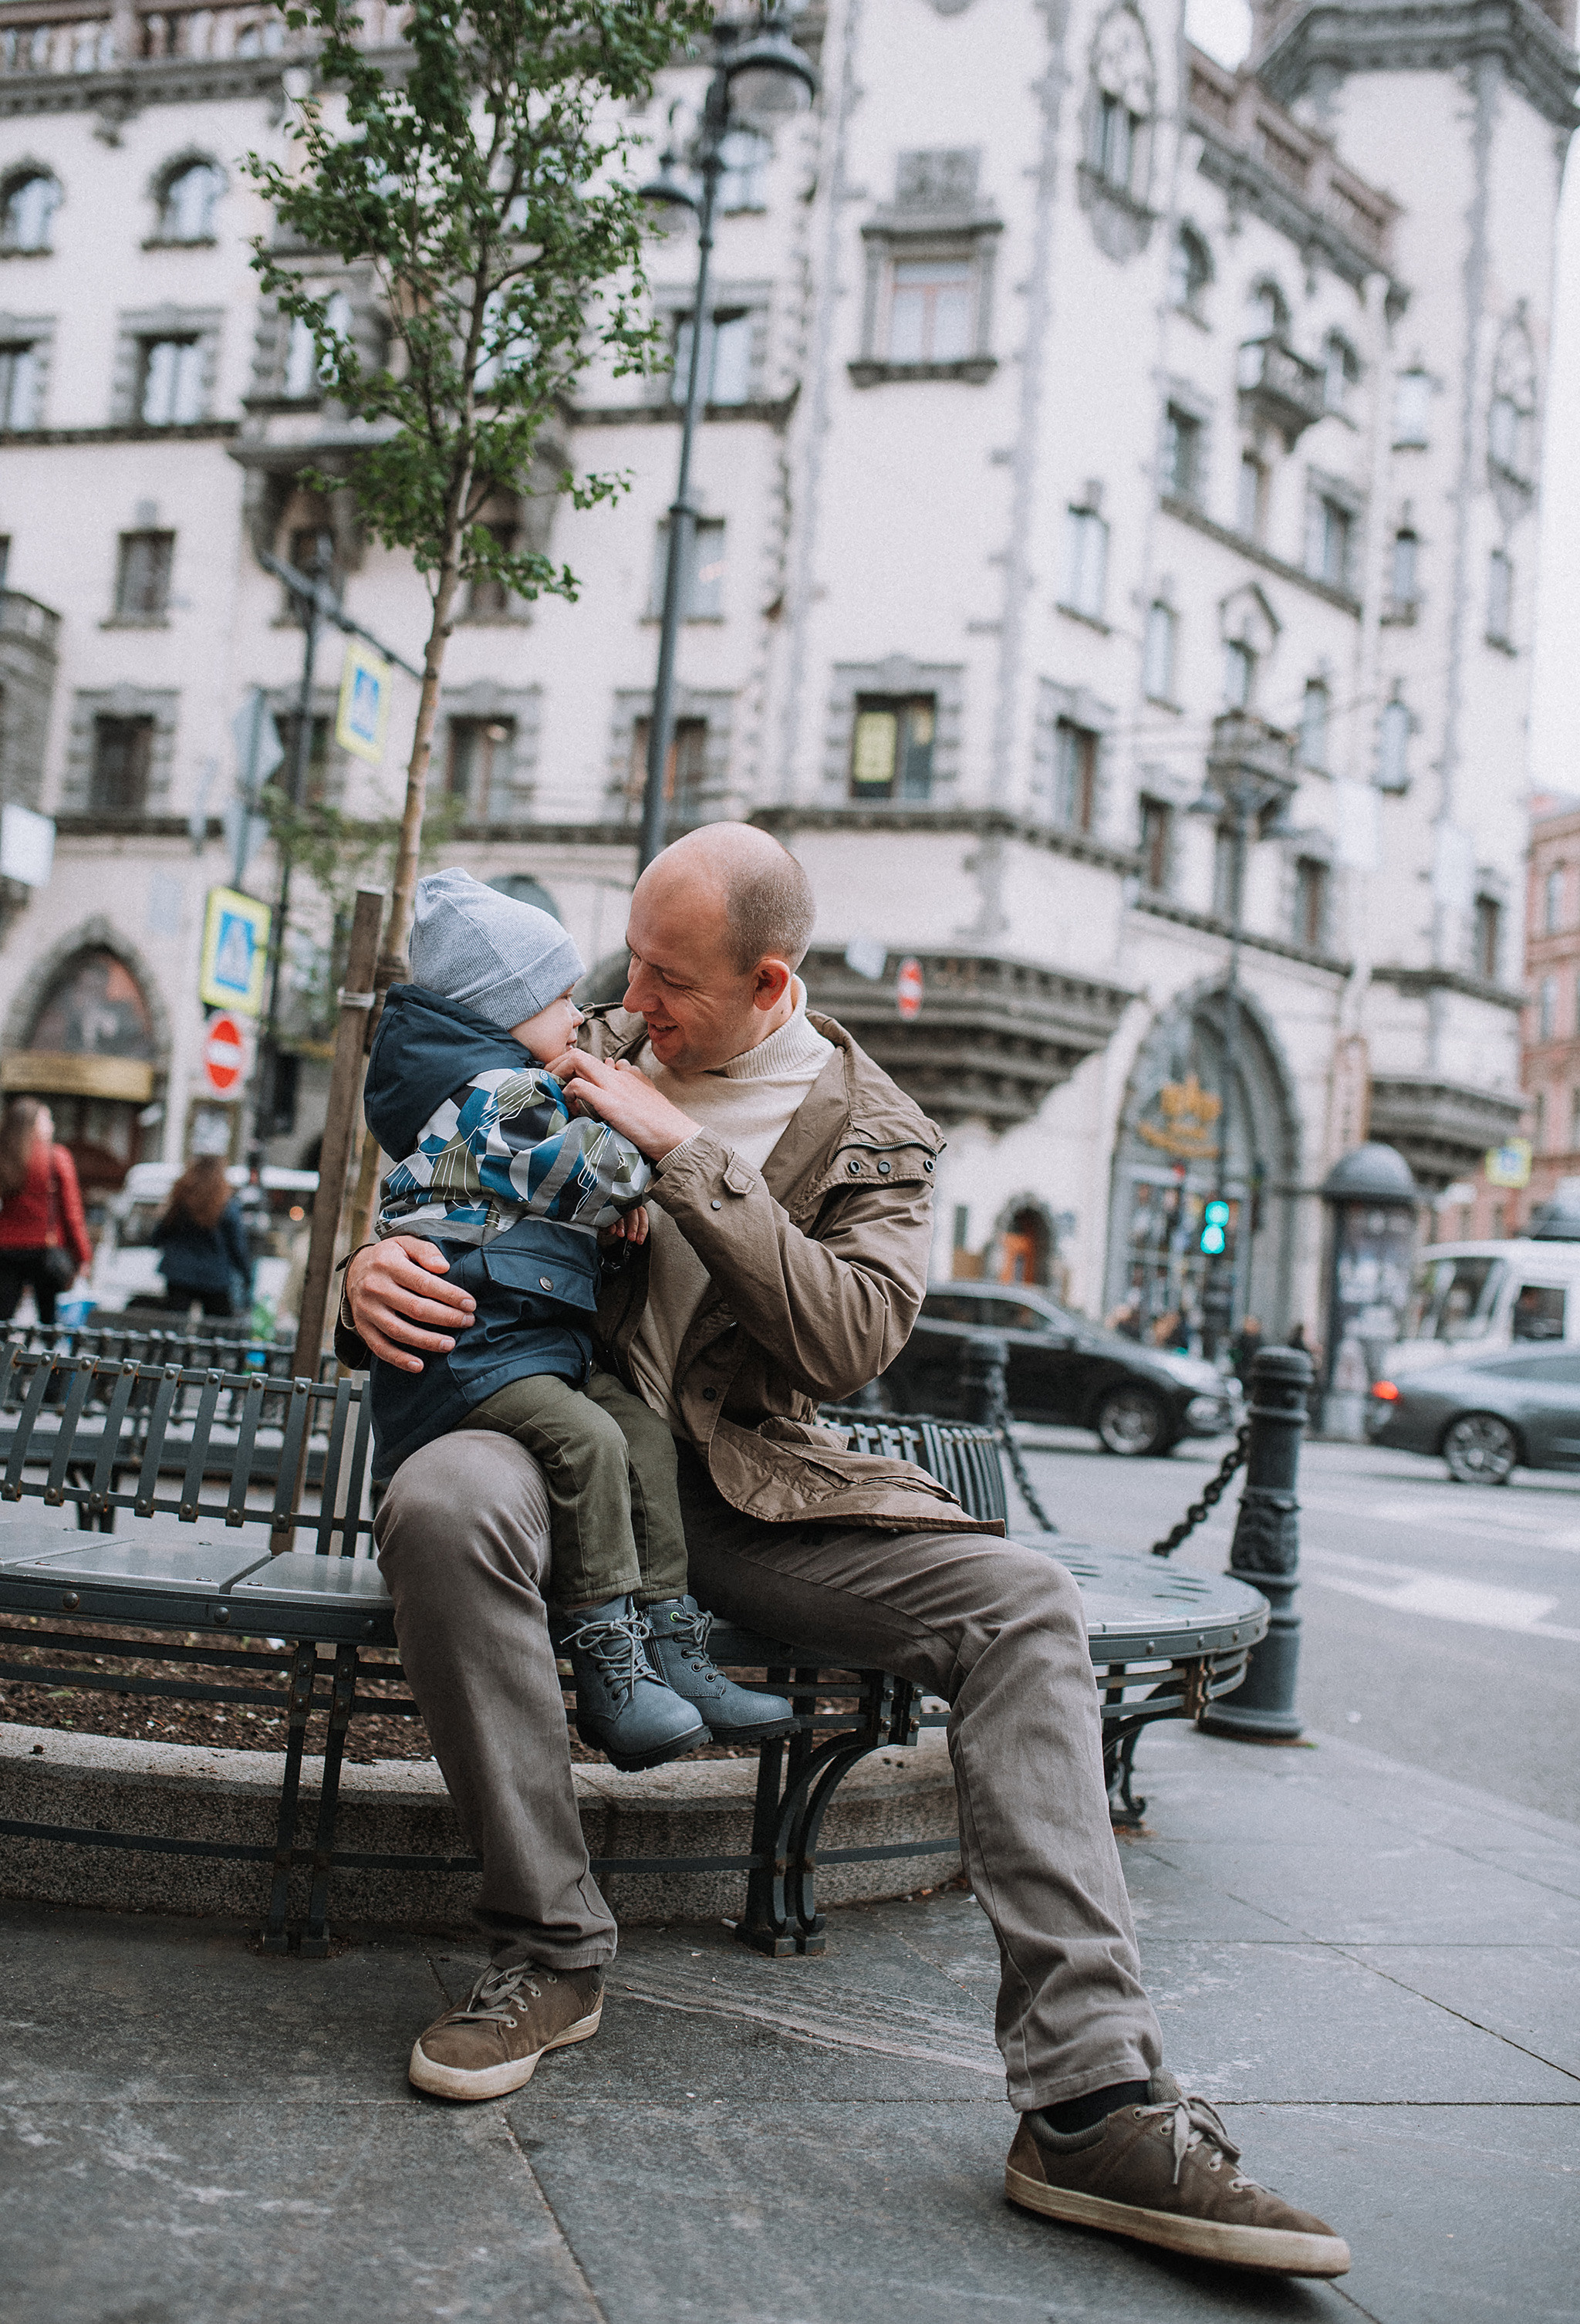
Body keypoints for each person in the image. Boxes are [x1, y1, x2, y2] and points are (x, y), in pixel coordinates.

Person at [337, 824, 1349, 2279]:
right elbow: (431, 1173)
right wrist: (366, 1278)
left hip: (744, 1495)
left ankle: (1090, 2099)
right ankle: (550, 1950)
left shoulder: (864, 1124)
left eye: (672, 979)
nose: (636, 1000)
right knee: (440, 1505)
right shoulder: (592, 1031)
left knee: (1022, 1604)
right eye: (628, 961)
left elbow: (851, 1331)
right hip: (546, 1434)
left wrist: (689, 1159)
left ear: (769, 981)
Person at [363, 867, 792, 1769]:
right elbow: (587, 1169)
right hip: (474, 1348)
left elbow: (535, 1198)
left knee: (637, 1429)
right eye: (557, 998)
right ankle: (608, 1663)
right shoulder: (495, 1091)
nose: (579, 1014)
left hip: (526, 1337)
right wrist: (639, 1156)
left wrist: (603, 1217)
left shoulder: (501, 1079)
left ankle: (672, 1642)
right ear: (497, 1009)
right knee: (590, 1441)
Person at [0, 1096, 90, 1324]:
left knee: (3, 1317)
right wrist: (83, 1256)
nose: (52, 1125)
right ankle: (46, 1358)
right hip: (45, 1249)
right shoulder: (56, 1157)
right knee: (49, 1319)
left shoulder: (5, 1158)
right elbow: (72, 1214)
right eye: (47, 1119)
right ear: (33, 1124)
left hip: (6, 1248)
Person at [151, 1156, 252, 1318]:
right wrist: (246, 1274)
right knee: (217, 1331)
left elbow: (160, 1233)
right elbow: (237, 1245)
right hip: (215, 1275)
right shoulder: (226, 1204)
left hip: (179, 1271)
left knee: (174, 1327)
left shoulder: (180, 1199)